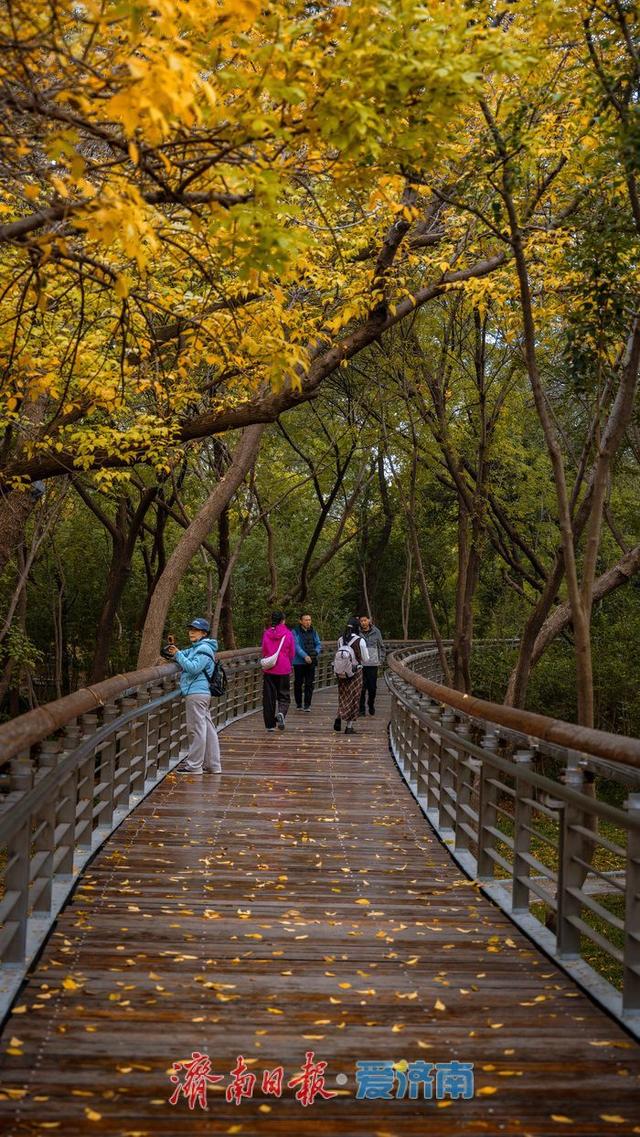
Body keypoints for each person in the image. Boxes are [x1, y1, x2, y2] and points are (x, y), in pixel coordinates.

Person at [165, 617, 221, 774]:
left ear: (203, 633)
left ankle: (194, 766)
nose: (191, 632)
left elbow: (194, 668)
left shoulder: (203, 649)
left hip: (196, 693)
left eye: (195, 630)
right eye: (190, 629)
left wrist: (179, 656)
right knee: (208, 730)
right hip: (200, 693)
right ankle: (213, 765)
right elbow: (182, 654)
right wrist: (173, 651)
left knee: (196, 730)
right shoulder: (197, 647)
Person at [334, 616, 369, 735]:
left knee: (343, 696)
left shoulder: (340, 640)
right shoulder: (360, 640)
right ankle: (349, 727)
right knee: (354, 697)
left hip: (341, 672)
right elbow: (365, 658)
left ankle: (339, 715)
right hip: (355, 672)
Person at [261, 610, 295, 732]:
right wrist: (289, 664)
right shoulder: (288, 634)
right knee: (284, 695)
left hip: (269, 669)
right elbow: (292, 652)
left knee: (268, 697)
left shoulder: (266, 633)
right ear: (283, 620)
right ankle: (281, 712)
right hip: (283, 668)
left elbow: (264, 650)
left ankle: (270, 725)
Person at [292, 613, 322, 711]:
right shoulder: (295, 632)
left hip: (311, 661)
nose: (308, 622)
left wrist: (315, 653)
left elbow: (318, 644)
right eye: (305, 620)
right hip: (299, 662)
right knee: (298, 683)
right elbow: (296, 646)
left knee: (309, 683)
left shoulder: (313, 631)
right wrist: (305, 656)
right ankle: (299, 704)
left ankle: (307, 705)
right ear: (300, 621)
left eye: (309, 620)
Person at [358, 615, 386, 716]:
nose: (363, 623)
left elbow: (382, 647)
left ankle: (371, 704)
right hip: (361, 665)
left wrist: (381, 660)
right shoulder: (357, 633)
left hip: (373, 664)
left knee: (372, 688)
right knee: (361, 687)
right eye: (361, 621)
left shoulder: (376, 631)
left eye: (365, 620)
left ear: (369, 621)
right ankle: (361, 709)